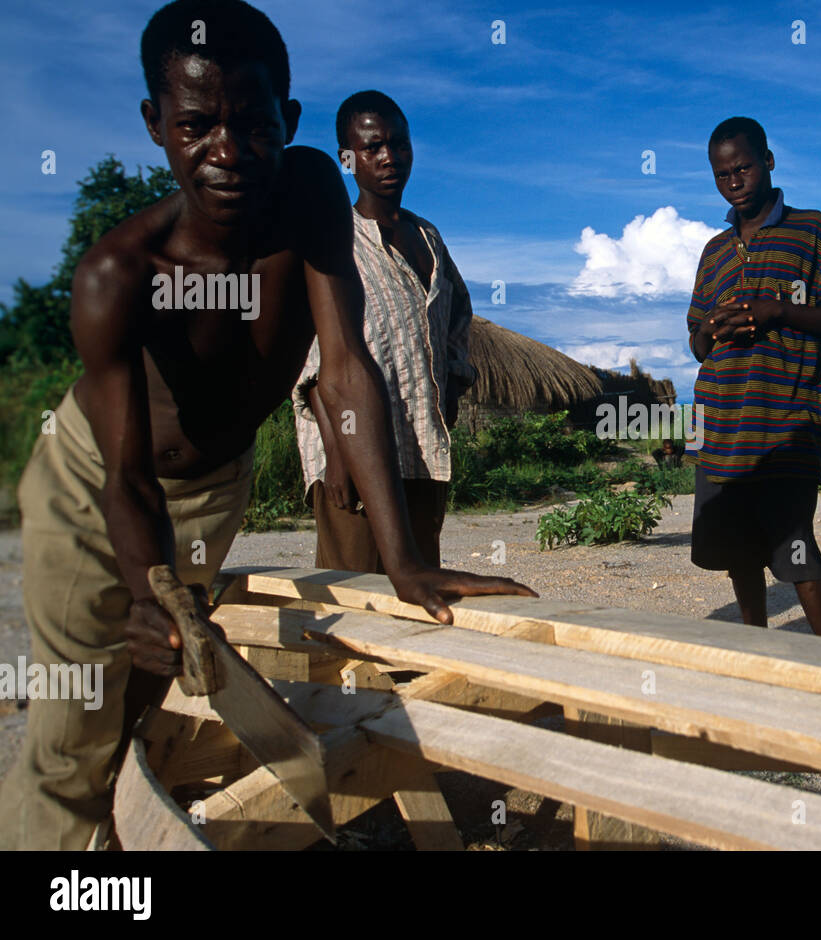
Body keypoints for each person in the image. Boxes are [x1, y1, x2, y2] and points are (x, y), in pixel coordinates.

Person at [0, 0, 533, 851]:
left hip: (215, 482)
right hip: (93, 481)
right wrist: (150, 589)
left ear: (287, 120)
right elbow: (127, 476)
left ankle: (120, 843)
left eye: (251, 123)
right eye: (197, 125)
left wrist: (404, 564)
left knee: (153, 689)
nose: (226, 150)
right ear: (155, 125)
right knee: (74, 731)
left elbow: (346, 368)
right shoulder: (118, 276)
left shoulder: (312, 191)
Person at [688, 116, 821, 639]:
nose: (734, 181)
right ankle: (756, 649)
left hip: (788, 419)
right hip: (722, 422)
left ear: (768, 161)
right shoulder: (715, 251)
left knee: (795, 548)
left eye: (742, 167)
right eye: (722, 174)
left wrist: (775, 311)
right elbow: (696, 341)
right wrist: (714, 329)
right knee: (738, 553)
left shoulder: (811, 229)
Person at [295, 90, 477, 574]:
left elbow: (459, 311)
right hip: (353, 455)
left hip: (421, 449)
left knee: (419, 589)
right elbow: (314, 361)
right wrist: (336, 451)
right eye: (373, 147)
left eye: (399, 144)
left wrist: (455, 380)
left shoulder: (429, 237)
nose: (388, 158)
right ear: (347, 158)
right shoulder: (332, 239)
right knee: (355, 595)